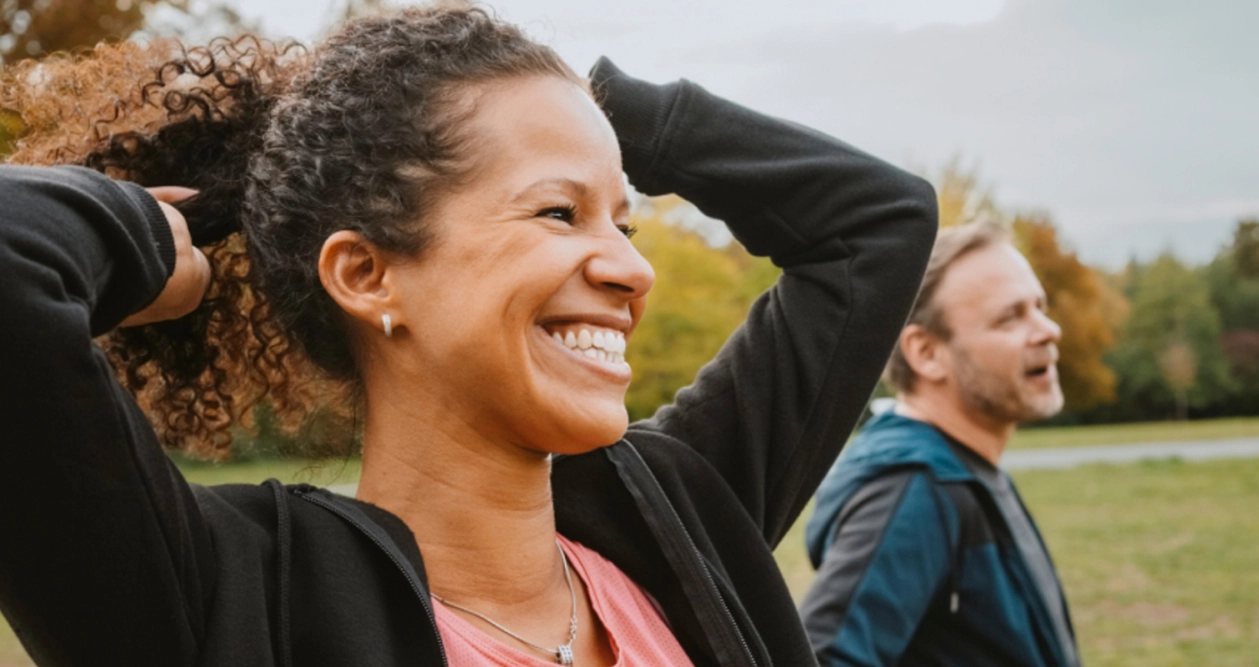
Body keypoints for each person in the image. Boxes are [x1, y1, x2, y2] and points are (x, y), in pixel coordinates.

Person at [0, 7, 936, 667]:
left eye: (627, 223)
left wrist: (598, 107)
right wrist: (147, 233)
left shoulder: (678, 517)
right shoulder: (230, 596)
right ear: (367, 275)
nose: (632, 270)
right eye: (559, 213)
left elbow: (879, 222)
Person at [800, 222, 1082, 667]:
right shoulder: (915, 489)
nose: (1048, 330)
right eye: (1010, 317)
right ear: (926, 352)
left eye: (1040, 307)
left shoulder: (960, 468)